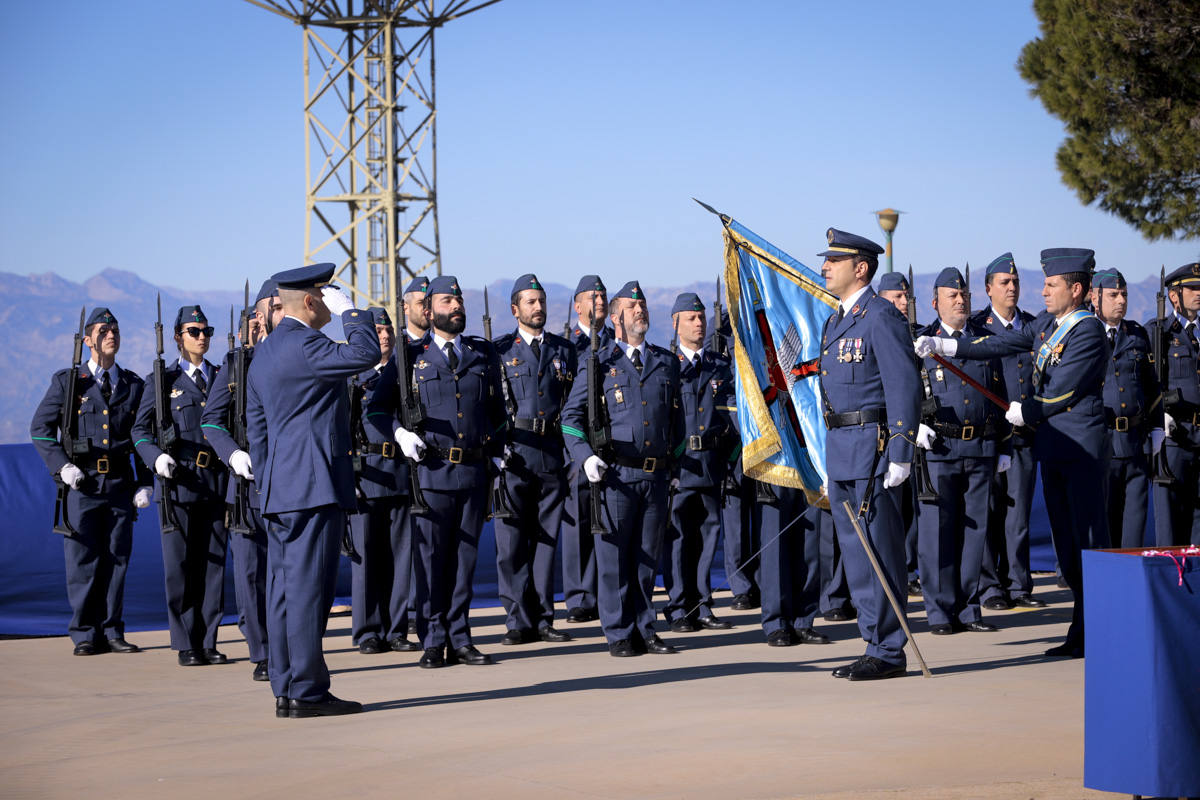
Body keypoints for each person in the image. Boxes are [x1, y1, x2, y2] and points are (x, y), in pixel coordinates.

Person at [917, 247, 1109, 658]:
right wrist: (946, 347)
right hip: (1054, 448)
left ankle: (1099, 628)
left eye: (1051, 284)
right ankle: (1081, 633)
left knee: (1088, 543)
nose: (1042, 291)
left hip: (1081, 452)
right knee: (1066, 546)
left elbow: (1068, 389)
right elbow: (998, 344)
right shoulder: (1045, 324)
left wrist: (1030, 410)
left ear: (1075, 290)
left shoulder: (1087, 330)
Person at [245, 263, 380, 717]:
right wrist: (353, 314)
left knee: (283, 591)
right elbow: (365, 355)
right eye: (325, 296)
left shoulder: (264, 353)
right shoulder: (306, 344)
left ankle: (286, 686)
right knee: (307, 592)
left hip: (281, 489)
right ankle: (307, 690)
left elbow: (258, 430)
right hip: (312, 486)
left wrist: (267, 484)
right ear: (309, 301)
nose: (328, 302)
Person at [817, 228, 920, 681]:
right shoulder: (836, 320)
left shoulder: (879, 315)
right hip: (841, 450)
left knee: (880, 553)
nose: (825, 267)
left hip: (873, 450)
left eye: (834, 261)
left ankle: (889, 649)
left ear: (860, 268)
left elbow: (904, 383)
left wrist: (901, 449)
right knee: (857, 558)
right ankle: (873, 642)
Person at [562, 280, 684, 656]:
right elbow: (570, 418)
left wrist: (674, 464)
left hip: (655, 474)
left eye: (643, 305)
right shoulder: (599, 364)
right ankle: (618, 633)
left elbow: (678, 421)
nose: (640, 311)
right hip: (615, 475)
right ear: (616, 318)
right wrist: (585, 457)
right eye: (633, 308)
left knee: (647, 556)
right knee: (614, 557)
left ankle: (646, 627)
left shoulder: (665, 362)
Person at [391, 275, 507, 668]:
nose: (455, 307)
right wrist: (399, 432)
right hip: (432, 474)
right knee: (431, 561)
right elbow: (376, 409)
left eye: (458, 301)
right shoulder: (410, 356)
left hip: (474, 472)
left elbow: (498, 413)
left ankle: (460, 637)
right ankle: (432, 638)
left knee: (465, 561)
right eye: (446, 302)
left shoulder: (482, 354)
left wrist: (496, 450)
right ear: (428, 311)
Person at [31, 307, 152, 656]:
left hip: (118, 483)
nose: (110, 334)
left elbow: (142, 435)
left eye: (114, 329)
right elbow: (40, 430)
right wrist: (62, 467)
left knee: (117, 559)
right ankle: (85, 632)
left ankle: (113, 630)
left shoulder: (133, 385)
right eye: (102, 330)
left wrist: (144, 482)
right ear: (87, 341)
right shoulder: (69, 382)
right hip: (81, 484)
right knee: (83, 560)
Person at [132, 305, 230, 666]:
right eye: (193, 331)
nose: (201, 337)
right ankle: (186, 641)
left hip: (216, 481)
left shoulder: (222, 376)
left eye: (206, 331)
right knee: (181, 567)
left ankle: (208, 639)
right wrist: (155, 457)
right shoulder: (162, 381)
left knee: (213, 565)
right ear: (177, 337)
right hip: (179, 484)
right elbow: (139, 431)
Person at [913, 268, 1008, 635]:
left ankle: (969, 608)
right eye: (952, 296)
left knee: (975, 532)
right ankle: (939, 611)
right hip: (940, 448)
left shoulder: (985, 342)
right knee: (938, 532)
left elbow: (1001, 397)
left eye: (964, 295)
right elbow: (906, 390)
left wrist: (1004, 445)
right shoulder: (923, 343)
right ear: (935, 302)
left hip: (981, 447)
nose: (960, 300)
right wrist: (913, 425)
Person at [202, 279, 282, 681]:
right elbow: (211, 421)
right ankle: (263, 651)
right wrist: (233, 454)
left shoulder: (293, 356)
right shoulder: (235, 366)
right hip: (247, 485)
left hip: (288, 479)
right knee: (251, 571)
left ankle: (290, 645)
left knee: (287, 570)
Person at [491, 273, 577, 644]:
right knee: (511, 543)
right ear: (515, 310)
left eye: (541, 301)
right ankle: (517, 619)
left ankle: (543, 617)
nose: (538, 307)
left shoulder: (564, 350)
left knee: (545, 541)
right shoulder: (498, 351)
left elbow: (574, 404)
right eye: (530, 302)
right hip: (514, 456)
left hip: (551, 454)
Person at [970, 254, 1045, 611]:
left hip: (1021, 436)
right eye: (1004, 282)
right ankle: (989, 587)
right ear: (988, 289)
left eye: (1015, 282)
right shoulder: (977, 328)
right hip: (987, 436)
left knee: (1018, 516)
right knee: (986, 512)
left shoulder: (1031, 327)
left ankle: (1018, 584)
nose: (1012, 287)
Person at [661, 292, 738, 632]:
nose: (699, 323)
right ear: (676, 323)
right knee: (678, 539)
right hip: (680, 468)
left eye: (702, 317)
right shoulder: (666, 367)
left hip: (710, 464)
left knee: (708, 538)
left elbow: (732, 418)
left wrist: (729, 460)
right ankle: (679, 608)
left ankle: (703, 604)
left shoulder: (718, 367)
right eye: (691, 318)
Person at [347, 307, 420, 654]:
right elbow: (342, 430)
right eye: (377, 330)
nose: (386, 335)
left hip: (402, 473)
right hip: (368, 473)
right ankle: (368, 631)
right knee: (366, 560)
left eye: (388, 329)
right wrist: (349, 474)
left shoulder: (406, 374)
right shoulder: (351, 378)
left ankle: (396, 629)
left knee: (401, 557)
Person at [1091, 269, 1158, 548]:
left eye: (1125, 295)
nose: (1121, 301)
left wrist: (1156, 427)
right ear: (1095, 297)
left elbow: (1150, 386)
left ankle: (1130, 585)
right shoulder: (1085, 335)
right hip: (1101, 443)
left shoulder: (1137, 335)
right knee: (1104, 524)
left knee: (1134, 526)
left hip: (1135, 444)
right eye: (1114, 295)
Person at [560, 274, 613, 624]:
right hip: (575, 440)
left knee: (610, 517)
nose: (599, 303)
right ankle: (580, 596)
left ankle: (609, 590)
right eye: (592, 298)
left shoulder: (616, 342)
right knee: (578, 517)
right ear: (577, 306)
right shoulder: (566, 346)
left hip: (611, 440)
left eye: (603, 297)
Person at [1148, 262, 1200, 546]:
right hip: (1174, 436)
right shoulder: (1159, 333)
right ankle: (1169, 578)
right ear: (1173, 295)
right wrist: (1159, 412)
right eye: (1192, 288)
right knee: (1169, 518)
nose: (1198, 293)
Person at [877, 270, 921, 597]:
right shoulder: (879, 333)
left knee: (912, 520)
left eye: (907, 297)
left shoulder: (918, 336)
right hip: (887, 440)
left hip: (917, 440)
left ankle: (907, 573)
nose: (904, 302)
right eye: (897, 297)